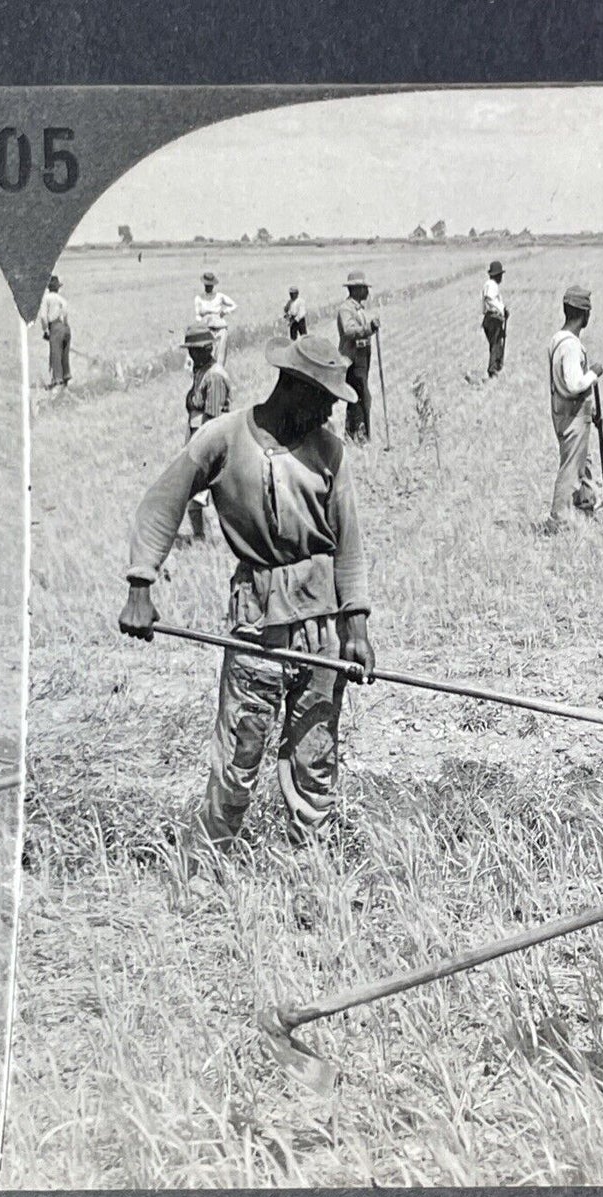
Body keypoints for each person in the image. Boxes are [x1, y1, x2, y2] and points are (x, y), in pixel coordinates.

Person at [119, 334, 373, 851]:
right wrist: (141, 583)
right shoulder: (223, 438)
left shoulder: (330, 452)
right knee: (239, 754)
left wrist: (358, 629)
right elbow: (163, 502)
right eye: (324, 399)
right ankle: (207, 872)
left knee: (315, 758)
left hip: (322, 632)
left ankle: (307, 869)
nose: (329, 412)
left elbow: (349, 544)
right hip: (257, 625)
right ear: (295, 389)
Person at [544, 285, 603, 532]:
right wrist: (594, 374)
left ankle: (585, 506)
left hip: (565, 411)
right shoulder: (570, 346)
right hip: (572, 413)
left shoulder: (557, 339)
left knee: (582, 461)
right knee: (571, 468)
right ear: (583, 314)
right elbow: (573, 385)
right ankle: (558, 520)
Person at [179, 323, 232, 541]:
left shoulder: (215, 376)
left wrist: (202, 450)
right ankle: (200, 538)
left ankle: (215, 540)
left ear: (207, 349)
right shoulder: (200, 371)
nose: (191, 354)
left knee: (204, 493)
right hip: (195, 436)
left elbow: (214, 420)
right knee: (194, 492)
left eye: (195, 349)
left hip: (207, 439)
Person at [336, 269, 379, 442]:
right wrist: (369, 328)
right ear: (355, 290)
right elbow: (348, 331)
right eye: (364, 288)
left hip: (363, 354)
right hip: (353, 358)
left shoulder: (358, 308)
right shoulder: (346, 309)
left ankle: (352, 433)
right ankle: (360, 435)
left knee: (359, 394)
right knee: (360, 394)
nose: (367, 292)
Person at [36, 275, 72, 387]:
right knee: (64, 357)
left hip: (55, 328)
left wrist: (45, 331)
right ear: (58, 288)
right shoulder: (62, 300)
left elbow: (43, 317)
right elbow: (65, 317)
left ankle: (57, 383)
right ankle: (65, 382)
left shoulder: (47, 298)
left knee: (55, 356)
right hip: (66, 328)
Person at [194, 272, 237, 365]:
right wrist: (201, 322)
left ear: (213, 285)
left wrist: (225, 311)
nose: (208, 287)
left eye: (210, 285)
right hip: (205, 327)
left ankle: (219, 367)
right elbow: (197, 315)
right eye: (207, 285)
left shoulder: (219, 296)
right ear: (204, 285)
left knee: (221, 345)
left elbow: (234, 305)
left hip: (219, 326)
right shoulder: (199, 298)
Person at [482, 262, 508, 378]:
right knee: (495, 344)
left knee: (496, 344)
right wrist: (502, 308)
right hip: (493, 318)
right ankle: (493, 370)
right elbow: (490, 299)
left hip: (490, 318)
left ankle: (496, 367)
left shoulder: (489, 285)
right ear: (497, 275)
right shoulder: (491, 285)